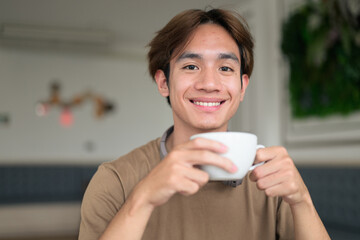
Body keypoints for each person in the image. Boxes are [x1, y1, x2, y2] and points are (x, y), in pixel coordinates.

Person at [79, 8, 330, 240]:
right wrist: (142, 199)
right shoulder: (114, 181)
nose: (209, 83)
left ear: (242, 86)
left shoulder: (271, 181)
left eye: (225, 68)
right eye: (191, 66)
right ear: (164, 83)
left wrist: (302, 201)